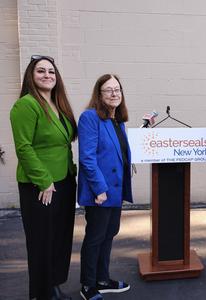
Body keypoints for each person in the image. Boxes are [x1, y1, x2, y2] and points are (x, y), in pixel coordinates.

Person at [10, 55, 77, 300]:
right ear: (31, 75)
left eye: (51, 71)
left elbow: (64, 144)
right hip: (41, 185)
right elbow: (24, 147)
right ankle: (42, 293)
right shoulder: (26, 105)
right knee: (42, 241)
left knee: (60, 238)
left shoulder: (59, 104)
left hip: (64, 181)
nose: (47, 75)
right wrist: (44, 180)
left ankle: (54, 285)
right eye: (41, 71)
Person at [78, 74, 132, 300]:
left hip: (115, 190)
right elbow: (87, 158)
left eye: (117, 89)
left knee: (109, 233)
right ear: (99, 94)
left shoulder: (116, 120)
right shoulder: (90, 117)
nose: (114, 93)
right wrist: (99, 188)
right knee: (95, 237)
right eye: (108, 90)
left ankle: (102, 279)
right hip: (100, 191)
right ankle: (88, 285)